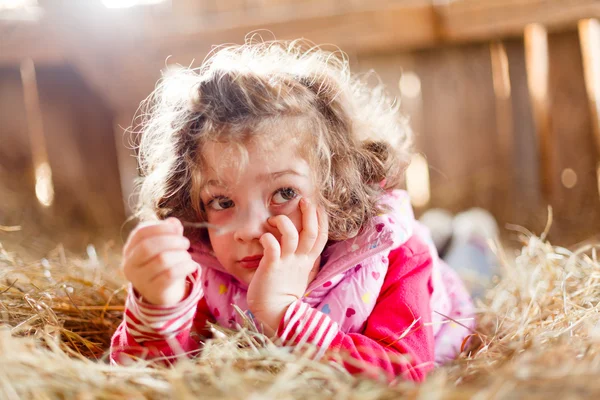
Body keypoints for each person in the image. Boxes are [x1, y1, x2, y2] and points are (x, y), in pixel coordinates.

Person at [110, 40, 475, 382]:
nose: (250, 229)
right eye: (223, 202)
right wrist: (158, 305)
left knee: (470, 262)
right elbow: (150, 377)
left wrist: (282, 314)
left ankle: (471, 234)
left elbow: (404, 378)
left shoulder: (394, 255)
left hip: (442, 290)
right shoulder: (208, 268)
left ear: (335, 185)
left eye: (283, 192)